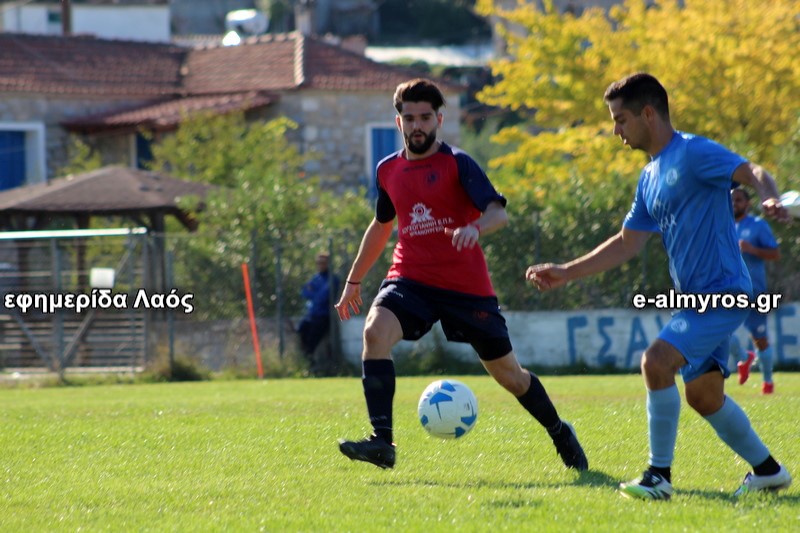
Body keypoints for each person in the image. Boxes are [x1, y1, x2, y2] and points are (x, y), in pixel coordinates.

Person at [526, 73, 792, 500]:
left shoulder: (693, 152)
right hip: (693, 302)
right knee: (704, 396)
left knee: (655, 361)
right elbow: (627, 243)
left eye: (620, 120)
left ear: (648, 113)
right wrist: (567, 271)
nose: (616, 131)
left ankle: (658, 475)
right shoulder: (649, 176)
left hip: (724, 293)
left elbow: (753, 170)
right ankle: (769, 472)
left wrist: (768, 194)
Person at [334, 78, 588, 471]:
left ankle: (558, 431)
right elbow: (382, 226)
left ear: (439, 119)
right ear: (398, 122)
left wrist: (475, 228)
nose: (417, 125)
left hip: (465, 287)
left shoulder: (458, 163)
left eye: (425, 117)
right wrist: (353, 282)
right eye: (409, 118)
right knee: (374, 333)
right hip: (410, 279)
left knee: (510, 376)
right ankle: (382, 441)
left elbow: (498, 214)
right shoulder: (388, 170)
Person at [729, 188, 781, 393]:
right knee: (719, 330)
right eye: (731, 200)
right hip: (729, 290)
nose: (734, 203)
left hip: (755, 290)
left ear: (747, 203)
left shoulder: (758, 225)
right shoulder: (723, 226)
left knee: (760, 338)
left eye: (738, 200)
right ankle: (744, 357)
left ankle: (767, 382)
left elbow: (775, 253)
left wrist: (752, 249)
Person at [297, 252, 338, 372]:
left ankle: (310, 363)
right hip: (311, 315)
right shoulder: (316, 278)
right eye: (318, 263)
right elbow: (304, 292)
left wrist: (313, 294)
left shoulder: (332, 279)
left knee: (312, 340)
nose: (320, 265)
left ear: (328, 264)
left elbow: (323, 296)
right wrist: (314, 294)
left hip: (324, 316)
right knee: (301, 330)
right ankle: (308, 360)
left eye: (323, 263)